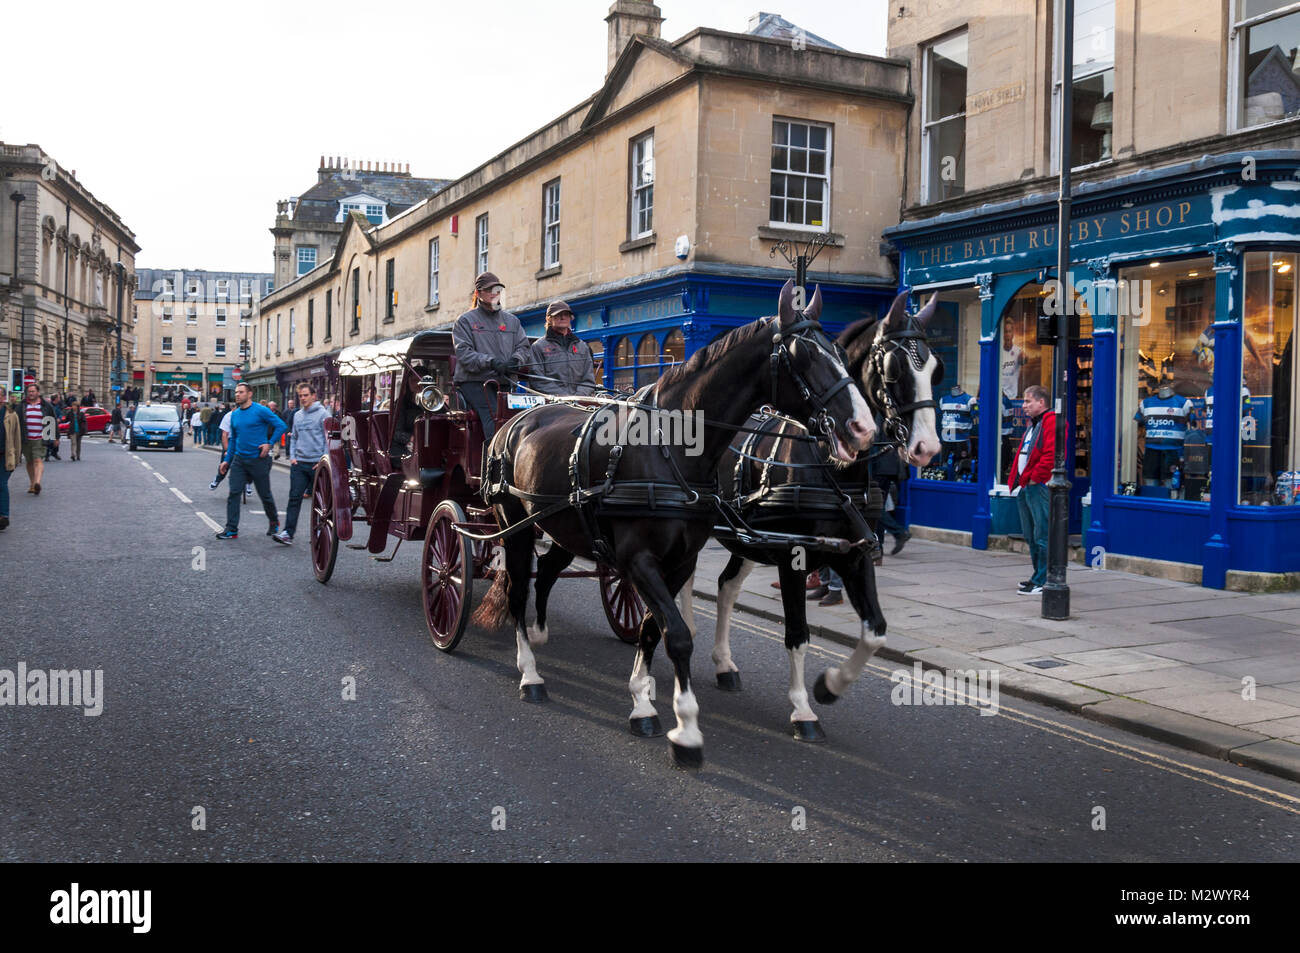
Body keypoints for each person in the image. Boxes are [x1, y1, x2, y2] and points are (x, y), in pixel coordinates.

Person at [452, 271, 531, 441]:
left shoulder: (512, 321)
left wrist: (515, 361)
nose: (495, 293)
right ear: (478, 293)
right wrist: (491, 362)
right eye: (489, 290)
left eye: (497, 289)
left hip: (504, 380)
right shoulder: (465, 320)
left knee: (520, 418)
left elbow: (523, 347)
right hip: (475, 382)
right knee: (495, 417)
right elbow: (464, 354)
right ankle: (494, 461)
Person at [1007, 384, 1064, 596]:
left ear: (1041, 402)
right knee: (1030, 535)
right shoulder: (1034, 425)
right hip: (1026, 486)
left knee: (1042, 535)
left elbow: (1052, 455)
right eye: (1023, 401)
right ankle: (1036, 576)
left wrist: (1033, 478)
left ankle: (1043, 579)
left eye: (1028, 401)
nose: (1024, 406)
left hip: (1038, 486)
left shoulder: (1052, 421)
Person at [215, 382, 287, 542]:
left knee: (265, 494)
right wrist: (226, 460)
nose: (237, 395)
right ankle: (231, 529)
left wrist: (269, 443)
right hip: (239, 460)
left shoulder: (260, 410)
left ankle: (274, 521)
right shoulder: (234, 415)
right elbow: (233, 440)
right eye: (236, 392)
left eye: (241, 392)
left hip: (258, 459)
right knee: (234, 493)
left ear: (250, 394)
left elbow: (281, 425)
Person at [275, 382, 329, 544]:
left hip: (317, 465)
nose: (303, 398)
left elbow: (328, 441)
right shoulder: (297, 415)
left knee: (322, 502)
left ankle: (320, 533)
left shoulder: (323, 414)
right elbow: (294, 437)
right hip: (299, 463)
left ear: (314, 396)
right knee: (294, 498)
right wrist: (292, 457)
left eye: (306, 395)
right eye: (300, 396)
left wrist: (323, 460)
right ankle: (287, 533)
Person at [527, 301, 597, 396]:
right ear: (549, 319)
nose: (563, 317)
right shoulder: (538, 347)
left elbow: (588, 380)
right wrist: (564, 397)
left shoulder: (583, 347)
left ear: (570, 318)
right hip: (551, 405)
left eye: (566, 315)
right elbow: (538, 380)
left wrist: (578, 397)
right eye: (558, 315)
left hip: (580, 403)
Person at [21, 384, 54, 494]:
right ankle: (32, 483)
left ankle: (37, 482)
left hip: (40, 438)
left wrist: (55, 437)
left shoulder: (46, 406)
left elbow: (51, 421)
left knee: (38, 460)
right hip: (26, 438)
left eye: (33, 391)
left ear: (38, 392)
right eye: (29, 391)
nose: (31, 393)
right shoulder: (22, 405)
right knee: (29, 461)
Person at [1, 396, 20, 530]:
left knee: (1, 484)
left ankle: (3, 516)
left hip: (4, 456)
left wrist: (17, 458)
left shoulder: (11, 415)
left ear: (2, 397)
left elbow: (16, 437)